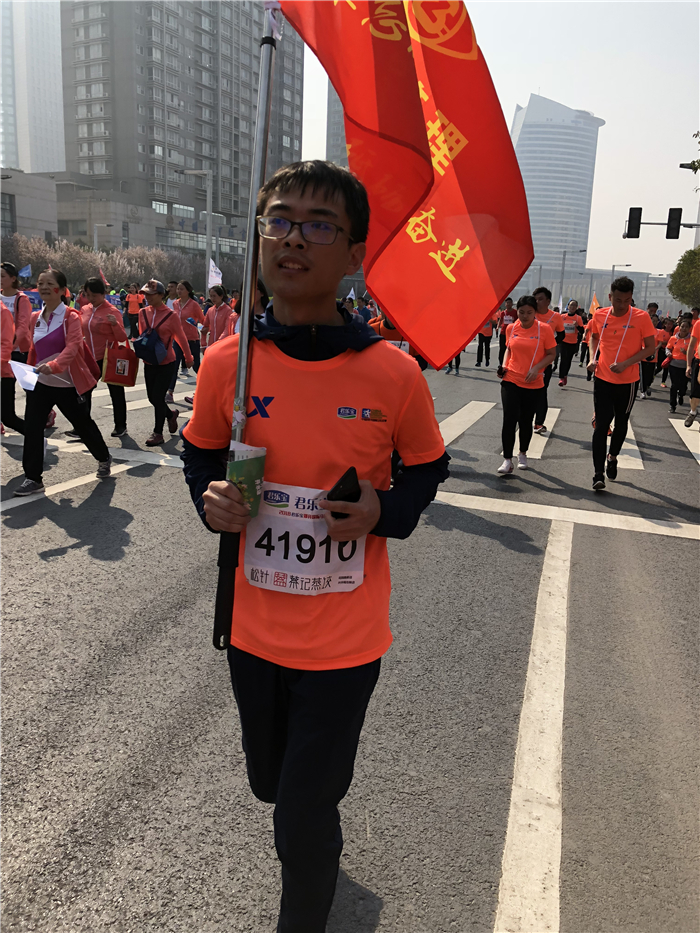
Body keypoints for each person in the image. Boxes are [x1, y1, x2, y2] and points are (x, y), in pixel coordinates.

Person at [181, 159, 449, 933]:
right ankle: (312, 834)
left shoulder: (392, 372)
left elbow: (428, 466)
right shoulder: (230, 362)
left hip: (343, 641)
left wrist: (383, 509)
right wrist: (212, 500)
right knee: (271, 785)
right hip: (252, 630)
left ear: (355, 253)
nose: (293, 238)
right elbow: (201, 453)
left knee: (303, 809)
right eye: (280, 220)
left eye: (318, 225)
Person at [14, 268, 112, 496]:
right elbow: (32, 349)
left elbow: (73, 346)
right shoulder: (35, 318)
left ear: (61, 289)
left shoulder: (71, 317)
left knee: (82, 425)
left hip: (67, 384)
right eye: (41, 283)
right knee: (33, 428)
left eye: (49, 283)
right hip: (41, 384)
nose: (44, 287)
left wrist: (55, 365)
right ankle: (33, 478)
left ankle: (103, 457)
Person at [587, 276, 656, 491]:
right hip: (603, 378)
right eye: (618, 300)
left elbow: (650, 348)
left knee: (621, 422)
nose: (622, 305)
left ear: (631, 298)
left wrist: (626, 363)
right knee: (601, 425)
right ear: (610, 297)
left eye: (627, 300)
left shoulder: (641, 317)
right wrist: (592, 358)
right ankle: (598, 474)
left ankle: (613, 456)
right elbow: (594, 337)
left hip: (628, 381)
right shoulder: (600, 315)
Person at [496, 295, 557, 474]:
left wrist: (537, 368)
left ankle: (522, 453)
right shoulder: (511, 328)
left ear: (535, 312)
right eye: (521, 312)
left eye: (529, 312)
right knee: (509, 420)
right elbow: (509, 349)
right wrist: (504, 366)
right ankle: (507, 460)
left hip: (533, 383)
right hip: (511, 380)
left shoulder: (544, 329)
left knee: (525, 420)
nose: (524, 316)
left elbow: (551, 354)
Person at [138, 279, 193, 447]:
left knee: (158, 397)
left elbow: (181, 337)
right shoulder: (142, 313)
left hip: (166, 362)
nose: (147, 297)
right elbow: (142, 336)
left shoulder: (171, 315)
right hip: (149, 362)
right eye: (145, 294)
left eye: (151, 294)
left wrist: (188, 357)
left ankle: (158, 433)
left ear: (161, 295)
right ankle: (170, 415)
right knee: (152, 398)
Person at [76, 275, 130, 438]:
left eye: (94, 295)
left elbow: (122, 337)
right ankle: (82, 426)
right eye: (88, 295)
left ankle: (120, 425)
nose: (91, 298)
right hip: (89, 358)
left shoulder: (112, 311)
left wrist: (115, 324)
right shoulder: (85, 309)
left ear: (103, 293)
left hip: (109, 357)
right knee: (84, 391)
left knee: (116, 392)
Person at [1, 261, 34, 431]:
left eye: (2, 276)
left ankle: (45, 415)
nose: (0, 279)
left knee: (30, 389)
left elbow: (23, 325)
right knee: (5, 392)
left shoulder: (21, 299)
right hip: (3, 351)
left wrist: (10, 344)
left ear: (13, 278)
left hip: (18, 351)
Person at [532, 287, 564, 434]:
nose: (537, 302)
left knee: (541, 391)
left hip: (545, 361)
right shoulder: (530, 313)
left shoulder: (555, 317)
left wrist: (550, 345)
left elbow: (561, 335)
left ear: (548, 301)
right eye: (535, 299)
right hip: (526, 360)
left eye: (540, 299)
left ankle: (538, 423)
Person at [168, 280, 205, 394]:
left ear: (188, 291)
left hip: (192, 339)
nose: (179, 291)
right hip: (178, 340)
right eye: (178, 289)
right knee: (174, 366)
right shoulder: (175, 303)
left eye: (181, 289)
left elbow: (203, 321)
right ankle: (170, 392)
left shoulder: (194, 305)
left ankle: (206, 387)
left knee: (196, 366)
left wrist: (195, 324)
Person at [1, 300, 24, 435]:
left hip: (3, 374)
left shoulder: (2, 312)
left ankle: (37, 439)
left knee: (8, 417)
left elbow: (6, 344)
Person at [664, 319, 691, 412]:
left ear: (689, 328)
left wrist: (686, 353)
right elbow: (668, 348)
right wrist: (668, 353)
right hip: (674, 365)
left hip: (686, 366)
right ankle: (672, 405)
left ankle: (681, 394)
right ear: (679, 327)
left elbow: (695, 352)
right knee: (674, 385)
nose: (684, 329)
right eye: (682, 326)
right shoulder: (673, 338)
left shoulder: (691, 340)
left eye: (686, 327)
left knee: (683, 385)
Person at [199, 285, 234, 355]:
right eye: (211, 296)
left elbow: (227, 329)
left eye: (214, 296)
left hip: (223, 345)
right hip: (211, 345)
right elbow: (205, 328)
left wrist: (219, 342)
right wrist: (203, 344)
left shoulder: (228, 310)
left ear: (221, 296)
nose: (212, 298)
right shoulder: (210, 310)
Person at [558, 299, 584, 386]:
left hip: (572, 342)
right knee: (563, 359)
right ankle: (561, 378)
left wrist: (577, 325)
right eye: (571, 305)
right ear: (568, 306)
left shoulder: (578, 318)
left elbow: (582, 331)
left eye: (574, 305)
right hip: (563, 341)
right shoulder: (562, 317)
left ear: (576, 307)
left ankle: (565, 375)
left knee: (568, 360)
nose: (572, 307)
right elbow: (558, 328)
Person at [684, 315, 700, 427]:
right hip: (698, 362)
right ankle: (693, 412)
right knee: (695, 394)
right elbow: (691, 346)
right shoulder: (698, 324)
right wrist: (688, 365)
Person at [497, 297, 516, 365]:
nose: (508, 304)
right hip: (503, 333)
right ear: (505, 304)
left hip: (512, 334)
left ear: (512, 304)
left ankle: (509, 362)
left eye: (510, 303)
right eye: (507, 303)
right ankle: (501, 363)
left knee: (511, 349)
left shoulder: (515, 312)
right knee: (502, 348)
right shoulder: (503, 313)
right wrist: (497, 327)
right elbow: (500, 320)